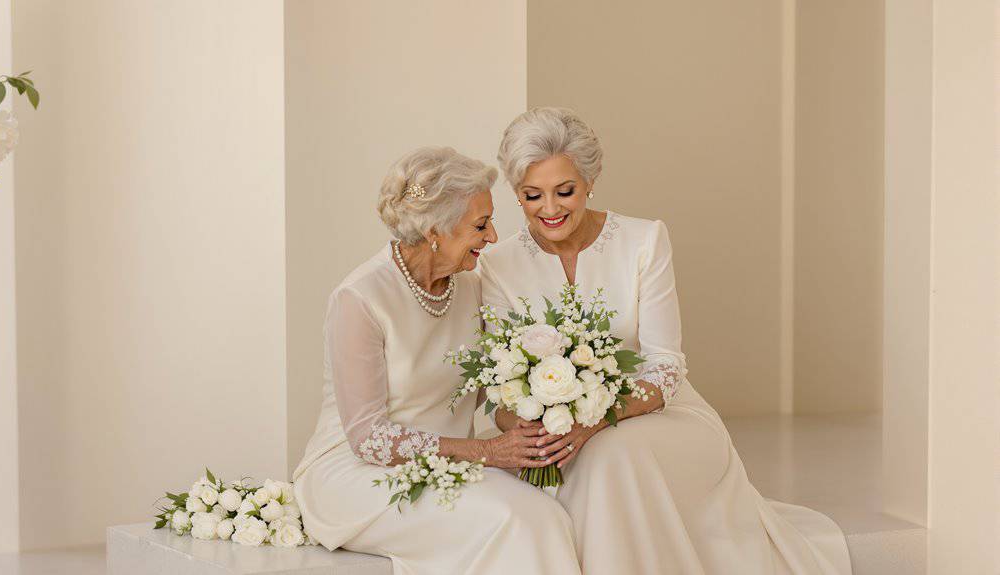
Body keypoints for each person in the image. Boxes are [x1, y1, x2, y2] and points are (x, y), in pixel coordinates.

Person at [480, 108, 852, 574]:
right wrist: (534, 428)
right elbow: (500, 388)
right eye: (533, 195)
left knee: (610, 456)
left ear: (590, 182)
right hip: (552, 437)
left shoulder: (644, 240)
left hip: (660, 414)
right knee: (596, 462)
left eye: (565, 191)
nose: (550, 209)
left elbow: (665, 365)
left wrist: (592, 422)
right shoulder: (497, 263)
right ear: (516, 193)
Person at [292, 146, 581, 575]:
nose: (493, 237)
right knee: (518, 520)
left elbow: (488, 388)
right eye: (480, 225)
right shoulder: (360, 299)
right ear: (435, 231)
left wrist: (521, 425)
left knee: (553, 510)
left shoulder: (468, 286)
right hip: (359, 476)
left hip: (452, 465)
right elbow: (369, 439)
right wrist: (488, 452)